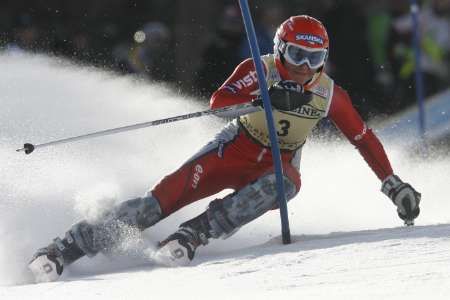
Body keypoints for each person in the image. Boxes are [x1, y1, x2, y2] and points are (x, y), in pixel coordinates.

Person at [28, 15, 421, 283]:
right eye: (296, 55)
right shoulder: (261, 67)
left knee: (286, 184)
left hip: (276, 164)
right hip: (231, 150)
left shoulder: (329, 93)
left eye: (314, 58)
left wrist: (393, 184)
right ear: (280, 49)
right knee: (152, 206)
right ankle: (66, 247)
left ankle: (191, 236)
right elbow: (218, 104)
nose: (303, 66)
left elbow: (362, 138)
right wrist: (263, 96)